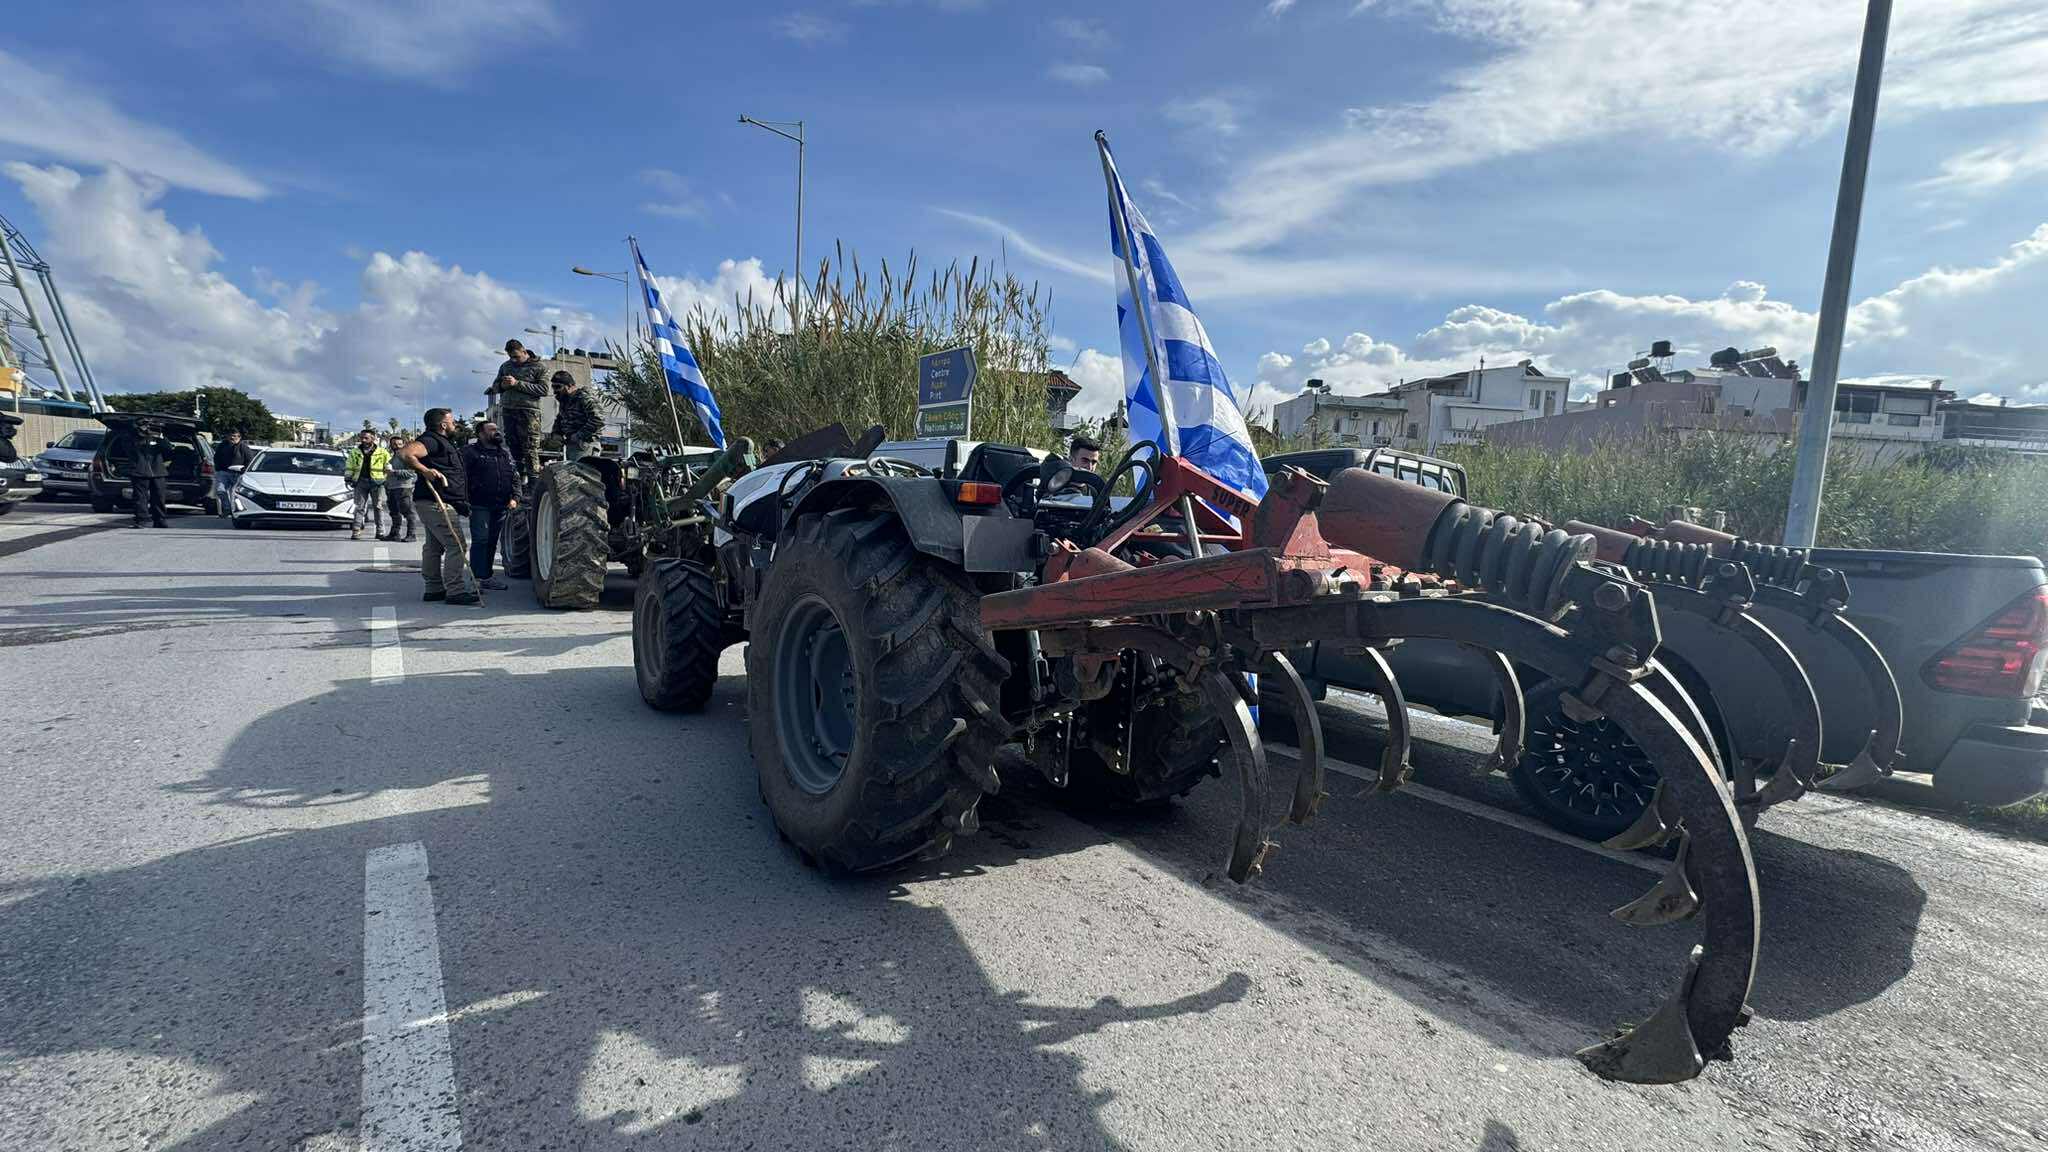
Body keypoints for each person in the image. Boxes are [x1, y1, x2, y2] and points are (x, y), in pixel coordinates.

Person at [400, 408, 477, 605]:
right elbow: (406, 453)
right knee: (457, 545)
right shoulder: (431, 440)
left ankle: (434, 589)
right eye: (451, 422)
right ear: (443, 425)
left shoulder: (442, 442)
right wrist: (425, 471)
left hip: (436, 501)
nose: (455, 425)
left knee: (434, 547)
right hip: (436, 502)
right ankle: (455, 591)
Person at [459, 421, 519, 591]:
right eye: (492, 430)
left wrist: (516, 496)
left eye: (497, 429)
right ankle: (476, 578)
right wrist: (463, 499)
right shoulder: (469, 452)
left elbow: (515, 477)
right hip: (479, 504)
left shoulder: (505, 454)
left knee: (492, 541)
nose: (496, 432)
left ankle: (486, 576)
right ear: (481, 434)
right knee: (481, 540)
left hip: (500, 505)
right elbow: (461, 477)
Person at [488, 338, 548, 484]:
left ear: (524, 351)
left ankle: (533, 483)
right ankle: (519, 481)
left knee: (529, 448)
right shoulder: (505, 366)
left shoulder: (539, 366)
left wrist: (517, 384)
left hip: (528, 412)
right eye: (511, 357)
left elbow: (543, 390)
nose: (514, 360)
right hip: (509, 410)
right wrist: (502, 384)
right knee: (513, 446)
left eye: (517, 356)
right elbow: (495, 387)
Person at [343, 428, 390, 541]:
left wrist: (386, 479)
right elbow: (349, 466)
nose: (363, 440)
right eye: (362, 438)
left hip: (377, 482)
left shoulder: (382, 452)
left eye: (366, 438)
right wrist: (348, 478)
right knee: (359, 507)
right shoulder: (355, 452)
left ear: (373, 438)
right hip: (360, 482)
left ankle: (380, 531)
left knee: (378, 507)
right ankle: (356, 531)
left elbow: (388, 466)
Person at [550, 370, 605, 463]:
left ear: (569, 386)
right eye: (553, 387)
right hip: (572, 445)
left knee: (582, 475)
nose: (555, 390)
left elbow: (598, 419)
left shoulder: (584, 398)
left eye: (558, 387)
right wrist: (557, 433)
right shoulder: (566, 401)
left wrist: (578, 436)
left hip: (585, 444)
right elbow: (560, 418)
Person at [127, 420, 172, 529]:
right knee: (140, 498)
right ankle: (141, 520)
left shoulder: (158, 439)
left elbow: (168, 451)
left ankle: (160, 520)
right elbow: (129, 448)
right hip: (140, 471)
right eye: (145, 426)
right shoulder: (132, 437)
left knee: (159, 497)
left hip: (158, 471)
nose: (148, 429)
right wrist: (141, 434)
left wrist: (160, 438)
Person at [381, 434, 419, 542]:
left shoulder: (407, 456)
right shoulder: (393, 457)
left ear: (404, 445)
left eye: (399, 444)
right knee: (394, 512)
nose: (396, 446)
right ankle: (394, 534)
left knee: (408, 512)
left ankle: (412, 534)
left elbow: (411, 472)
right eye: (394, 444)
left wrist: (394, 472)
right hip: (392, 488)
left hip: (403, 487)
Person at [212, 429, 254, 518]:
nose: (233, 437)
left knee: (235, 494)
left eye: (235, 436)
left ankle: (237, 511)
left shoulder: (244, 447)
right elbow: (216, 458)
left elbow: (250, 460)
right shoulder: (222, 446)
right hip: (224, 472)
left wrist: (244, 469)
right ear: (227, 436)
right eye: (231, 435)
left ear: (239, 437)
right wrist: (218, 468)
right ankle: (227, 509)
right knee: (220, 490)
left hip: (238, 474)